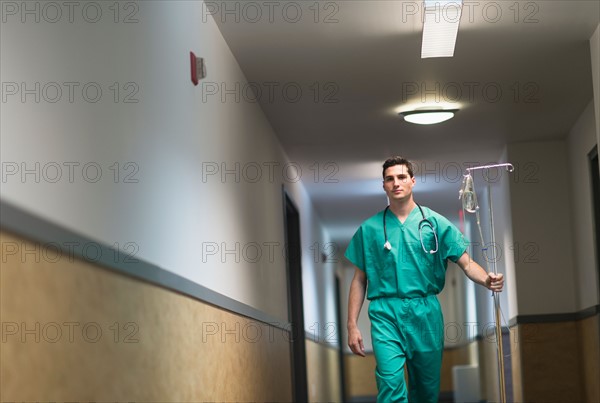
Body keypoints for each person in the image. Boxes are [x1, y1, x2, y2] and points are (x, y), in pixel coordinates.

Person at [345, 156, 504, 403]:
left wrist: (487, 280)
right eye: (389, 179)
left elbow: (467, 263)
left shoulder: (435, 223)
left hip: (425, 312)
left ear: (412, 181)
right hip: (385, 313)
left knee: (426, 389)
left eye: (401, 177)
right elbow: (359, 279)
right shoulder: (370, 229)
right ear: (383, 185)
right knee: (390, 384)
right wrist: (352, 325)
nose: (396, 183)